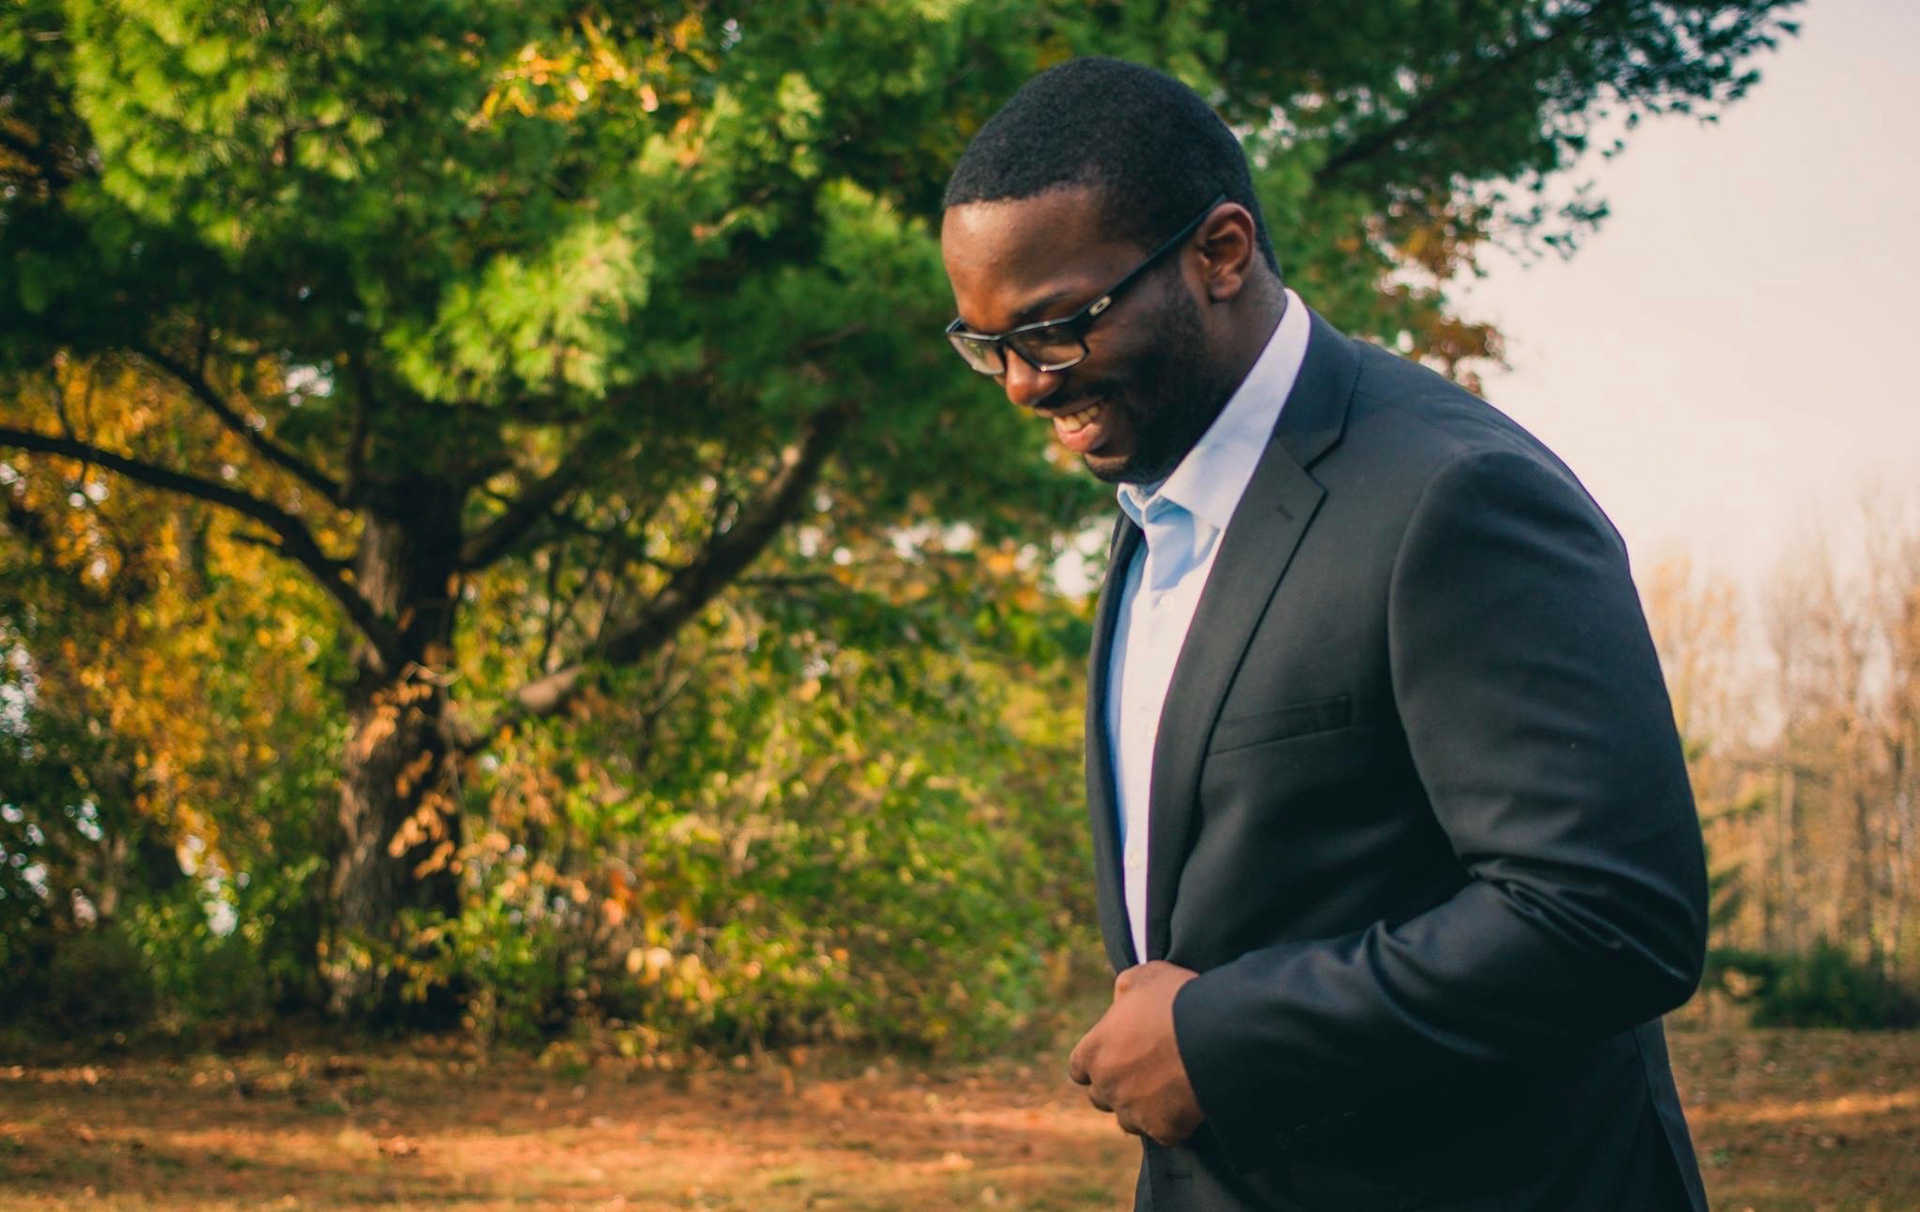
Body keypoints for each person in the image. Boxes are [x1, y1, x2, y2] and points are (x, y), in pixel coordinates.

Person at [937, 57, 1712, 1212]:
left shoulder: (1454, 494)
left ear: (1221, 253)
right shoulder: (1158, 504)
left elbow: (1611, 917)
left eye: (1057, 329)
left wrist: (1221, 1036)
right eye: (986, 341)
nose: (1021, 386)